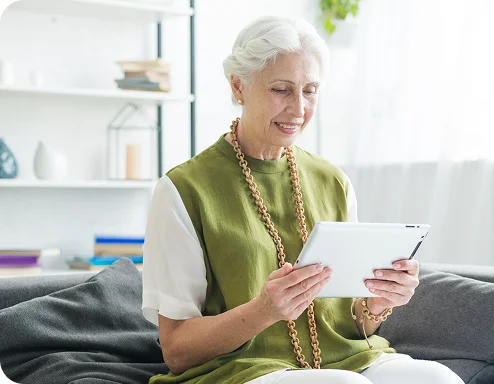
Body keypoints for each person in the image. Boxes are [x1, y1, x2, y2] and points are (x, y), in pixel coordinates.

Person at [141, 16, 464, 384]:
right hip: (238, 371)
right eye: (281, 89)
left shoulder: (333, 181)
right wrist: (264, 311)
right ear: (238, 86)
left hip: (347, 361)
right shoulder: (183, 189)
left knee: (439, 379)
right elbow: (177, 351)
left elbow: (352, 324)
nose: (299, 109)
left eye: (310, 91)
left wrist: (378, 303)